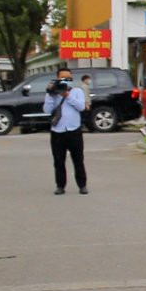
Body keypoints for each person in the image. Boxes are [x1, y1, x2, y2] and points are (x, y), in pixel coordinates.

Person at [43, 65, 90, 196]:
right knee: (58, 160)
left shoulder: (77, 91)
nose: (65, 80)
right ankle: (60, 185)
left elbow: (81, 107)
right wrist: (51, 94)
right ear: (57, 79)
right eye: (63, 78)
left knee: (78, 159)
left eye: (68, 78)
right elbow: (46, 110)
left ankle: (82, 185)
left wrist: (67, 95)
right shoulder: (52, 93)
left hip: (74, 130)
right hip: (57, 131)